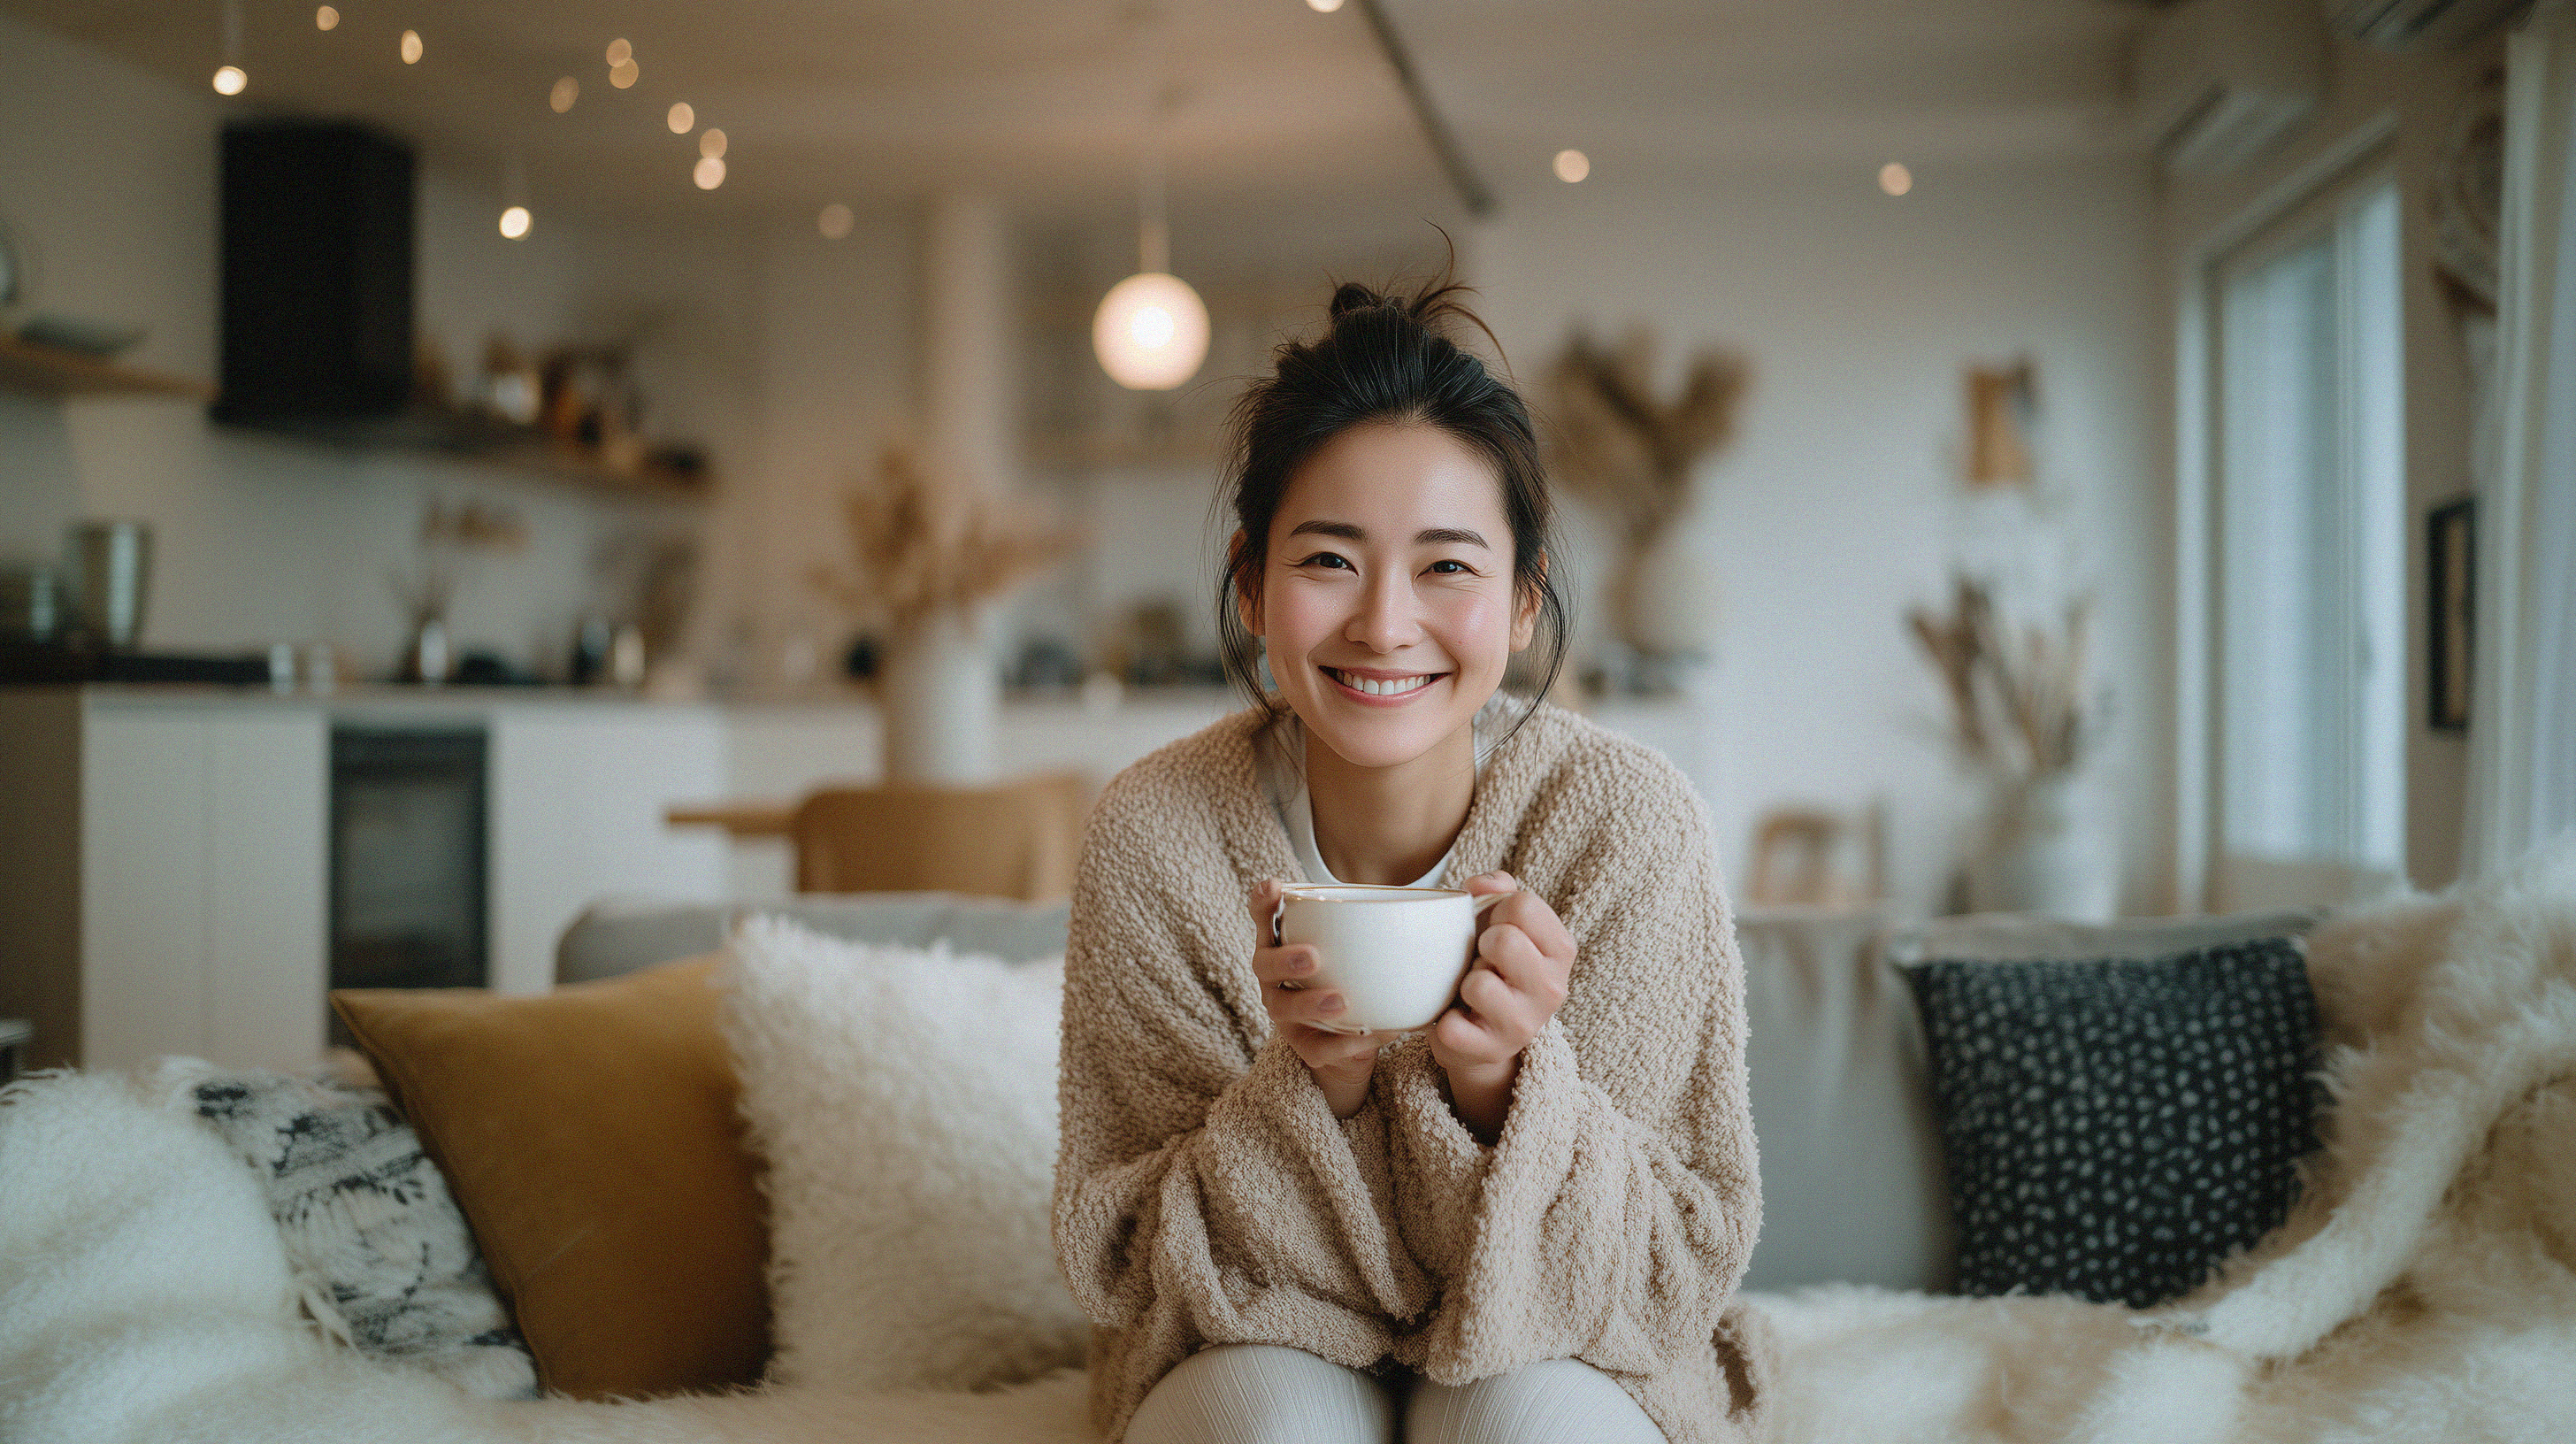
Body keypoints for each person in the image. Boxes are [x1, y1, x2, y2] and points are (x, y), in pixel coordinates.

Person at [1051, 273, 1769, 1444]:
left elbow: (1670, 1269)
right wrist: (1314, 1090)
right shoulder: (1159, 834)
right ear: (1251, 583)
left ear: (1525, 599)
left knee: (1519, 1424)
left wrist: (1502, 1095)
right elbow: (1129, 1262)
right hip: (1248, 1340)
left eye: (1448, 566)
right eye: (1330, 559)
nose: (1384, 623)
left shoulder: (1626, 828)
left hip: (1569, 1345)